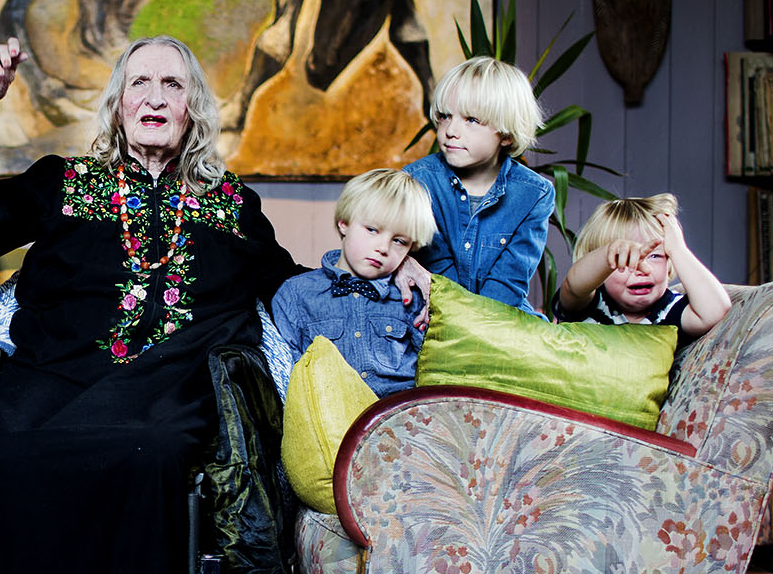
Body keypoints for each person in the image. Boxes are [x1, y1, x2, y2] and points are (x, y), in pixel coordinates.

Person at [0, 35, 300, 574]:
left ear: (193, 108)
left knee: (151, 450)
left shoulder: (231, 205)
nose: (155, 97)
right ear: (118, 104)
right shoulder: (64, 183)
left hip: (170, 384)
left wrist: (385, 269)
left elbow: (289, 288)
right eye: (139, 84)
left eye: (172, 84)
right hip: (54, 374)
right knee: (17, 446)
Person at [402, 55, 555, 316]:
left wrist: (479, 327)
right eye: (445, 116)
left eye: (471, 120)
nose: (451, 130)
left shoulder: (534, 194)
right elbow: (437, 272)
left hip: (500, 316)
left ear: (506, 135)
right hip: (434, 314)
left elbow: (508, 285)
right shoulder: (418, 180)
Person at [271, 167, 436, 395]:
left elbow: (434, 374)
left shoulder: (413, 298)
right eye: (372, 230)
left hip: (399, 412)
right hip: (327, 412)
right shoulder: (296, 294)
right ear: (344, 223)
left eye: (399, 241)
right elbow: (286, 383)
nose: (383, 248)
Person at [552, 193, 732, 336]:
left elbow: (715, 311)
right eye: (624, 258)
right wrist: (607, 255)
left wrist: (678, 249)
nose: (641, 269)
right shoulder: (590, 302)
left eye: (655, 256)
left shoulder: (669, 310)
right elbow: (573, 286)